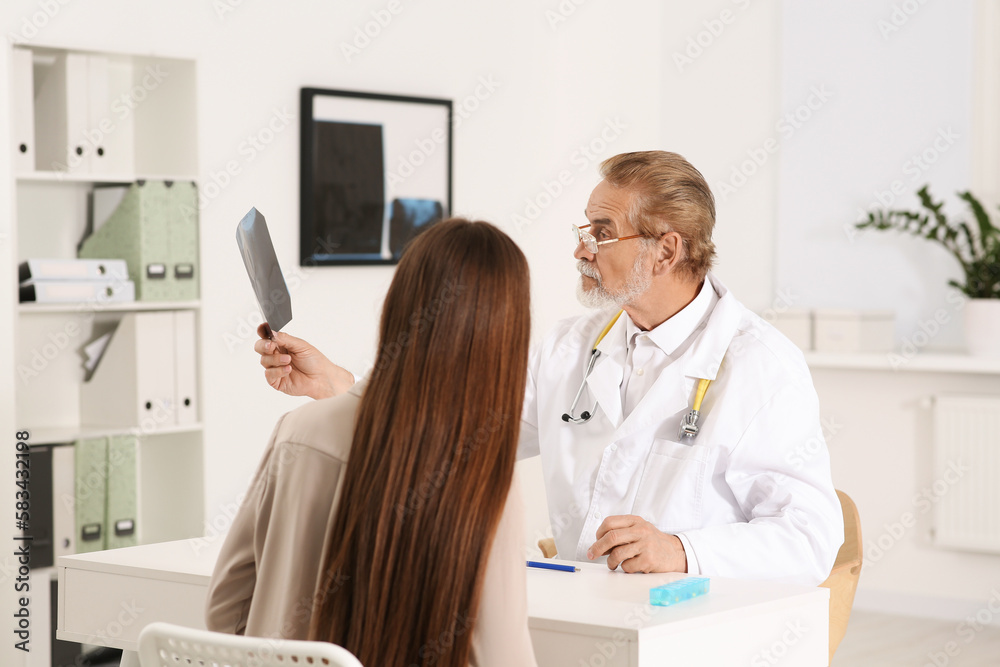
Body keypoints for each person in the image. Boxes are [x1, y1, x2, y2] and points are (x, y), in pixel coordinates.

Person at [255, 151, 844, 586]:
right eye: (585, 229)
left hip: (696, 631)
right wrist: (337, 386)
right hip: (587, 614)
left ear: (666, 250)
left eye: (603, 232)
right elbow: (461, 433)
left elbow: (811, 539)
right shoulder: (573, 345)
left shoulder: (761, 367)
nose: (582, 248)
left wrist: (682, 550)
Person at [206, 218, 538, 667]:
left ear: (397, 306)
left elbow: (225, 611)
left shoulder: (297, 433)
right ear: (505, 339)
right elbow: (501, 657)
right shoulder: (483, 472)